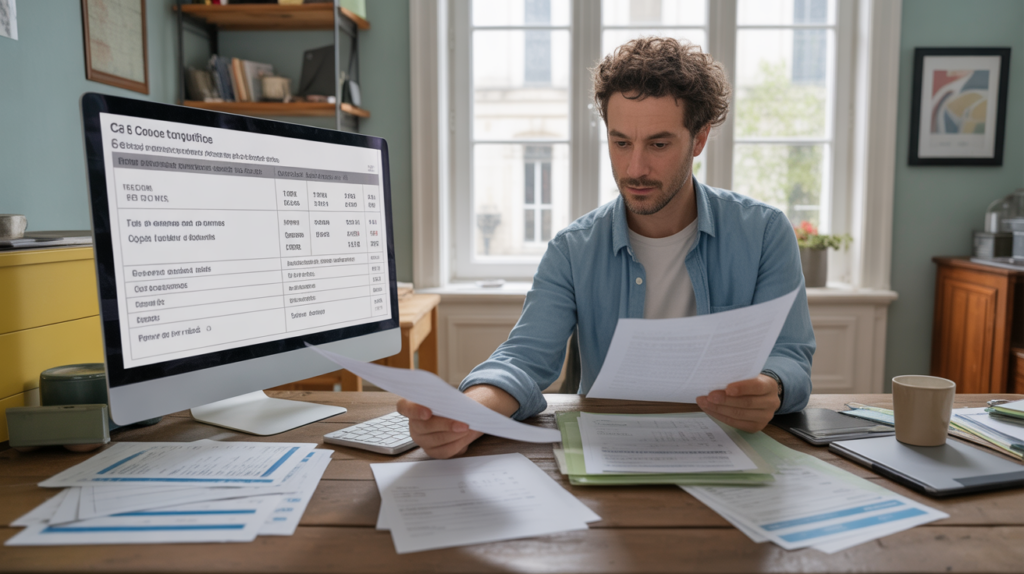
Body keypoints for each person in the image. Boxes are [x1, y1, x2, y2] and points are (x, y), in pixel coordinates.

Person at [399, 37, 815, 459]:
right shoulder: (573, 249)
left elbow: (791, 356)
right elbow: (523, 359)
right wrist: (466, 414)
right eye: (620, 143)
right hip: (613, 458)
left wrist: (771, 388)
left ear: (700, 138)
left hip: (732, 452)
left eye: (658, 144)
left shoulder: (764, 233)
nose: (635, 169)